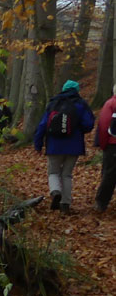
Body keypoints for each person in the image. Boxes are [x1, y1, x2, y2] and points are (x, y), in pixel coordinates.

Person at [33, 79, 96, 213]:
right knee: (67, 175)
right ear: (77, 90)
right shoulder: (81, 104)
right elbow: (89, 124)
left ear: (63, 89)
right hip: (74, 146)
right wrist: (78, 130)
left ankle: (55, 191)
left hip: (54, 145)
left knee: (53, 172)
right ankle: (65, 204)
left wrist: (38, 144)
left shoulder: (54, 103)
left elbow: (43, 125)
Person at [94, 84, 116, 213]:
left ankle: (101, 202)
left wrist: (103, 145)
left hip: (112, 145)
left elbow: (103, 126)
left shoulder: (110, 104)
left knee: (109, 174)